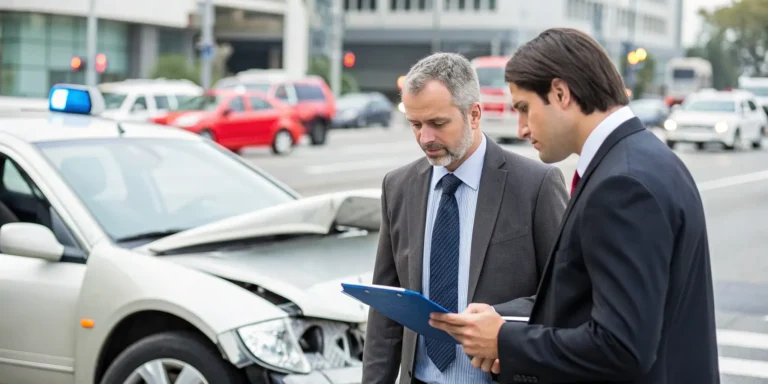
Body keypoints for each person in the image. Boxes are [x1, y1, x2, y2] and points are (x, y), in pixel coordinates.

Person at [429, 28, 720, 384]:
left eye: (524, 108)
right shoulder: (643, 158)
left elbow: (622, 347)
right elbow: (589, 304)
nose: (521, 128)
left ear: (560, 93)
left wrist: (505, 340)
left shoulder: (622, 185)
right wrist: (500, 321)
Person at [362, 52, 569, 384]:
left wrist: (497, 321)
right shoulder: (398, 186)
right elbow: (386, 312)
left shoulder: (536, 185)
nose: (425, 138)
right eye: (416, 124)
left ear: (474, 115)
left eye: (438, 123)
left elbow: (566, 295)